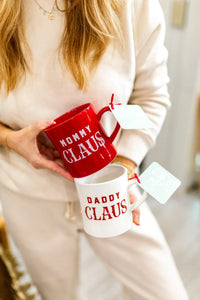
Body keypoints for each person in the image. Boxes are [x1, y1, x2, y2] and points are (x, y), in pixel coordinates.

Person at [0, 0, 189, 299]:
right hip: (27, 193)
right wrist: (11, 140)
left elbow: (151, 95)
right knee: (58, 295)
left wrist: (126, 163)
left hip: (111, 184)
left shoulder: (132, 6)